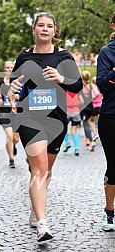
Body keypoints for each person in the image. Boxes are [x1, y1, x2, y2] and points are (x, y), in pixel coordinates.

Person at [7, 12, 82, 243]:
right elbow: (14, 83)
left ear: (54, 31)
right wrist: (12, 89)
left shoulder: (64, 56)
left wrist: (61, 78)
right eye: (41, 25)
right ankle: (42, 225)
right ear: (34, 29)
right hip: (30, 118)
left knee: (46, 171)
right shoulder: (24, 56)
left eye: (49, 26)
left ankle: (35, 206)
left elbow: (77, 86)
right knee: (39, 167)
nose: (45, 29)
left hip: (56, 120)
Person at [96, 12, 115, 231]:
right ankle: (109, 211)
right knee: (114, 166)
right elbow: (102, 85)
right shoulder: (106, 52)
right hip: (111, 116)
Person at [0, 61, 19, 168]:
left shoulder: (18, 82)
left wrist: (19, 97)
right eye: (7, 68)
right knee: (9, 134)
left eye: (11, 67)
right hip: (4, 112)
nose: (9, 70)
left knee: (15, 138)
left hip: (16, 112)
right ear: (4, 69)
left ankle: (14, 145)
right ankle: (11, 159)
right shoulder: (0, 82)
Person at [79, 70, 98, 151]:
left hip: (83, 107)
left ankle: (91, 142)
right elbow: (97, 93)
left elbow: (80, 99)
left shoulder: (80, 85)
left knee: (86, 124)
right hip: (91, 107)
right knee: (89, 122)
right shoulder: (91, 85)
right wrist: (90, 98)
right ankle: (87, 140)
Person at [63, 91, 81, 156]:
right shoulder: (76, 92)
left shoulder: (65, 92)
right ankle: (76, 148)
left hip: (67, 111)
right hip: (76, 111)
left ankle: (67, 143)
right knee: (74, 131)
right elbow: (82, 102)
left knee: (64, 129)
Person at [89, 76, 103, 141]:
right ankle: (102, 133)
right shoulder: (101, 88)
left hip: (94, 106)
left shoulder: (92, 89)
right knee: (101, 122)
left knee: (91, 120)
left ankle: (95, 133)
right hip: (101, 106)